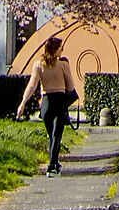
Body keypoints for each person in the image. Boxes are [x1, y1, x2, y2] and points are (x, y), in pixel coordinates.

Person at [18, 36, 79, 173]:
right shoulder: (63, 65)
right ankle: (52, 165)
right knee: (57, 135)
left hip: (46, 103)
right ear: (55, 49)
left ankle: (54, 162)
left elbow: (32, 85)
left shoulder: (38, 65)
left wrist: (23, 103)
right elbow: (71, 87)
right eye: (61, 48)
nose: (62, 51)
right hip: (60, 102)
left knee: (51, 135)